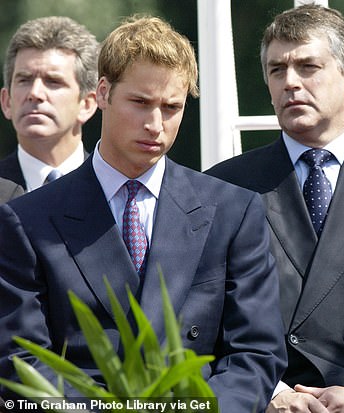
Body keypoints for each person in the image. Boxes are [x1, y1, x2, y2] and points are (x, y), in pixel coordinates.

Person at [0, 15, 286, 412]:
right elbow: (22, 362)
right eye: (140, 102)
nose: (155, 124)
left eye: (172, 107)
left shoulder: (232, 212)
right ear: (102, 93)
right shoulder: (27, 220)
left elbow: (256, 353)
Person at [207, 4, 344, 413]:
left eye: (308, 67)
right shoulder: (222, 188)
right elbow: (202, 321)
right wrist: (271, 393)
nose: (290, 82)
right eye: (277, 70)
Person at [0, 16, 98, 192]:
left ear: (87, 104)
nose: (35, 93)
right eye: (24, 80)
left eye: (53, 81)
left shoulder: (113, 193)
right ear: (6, 101)